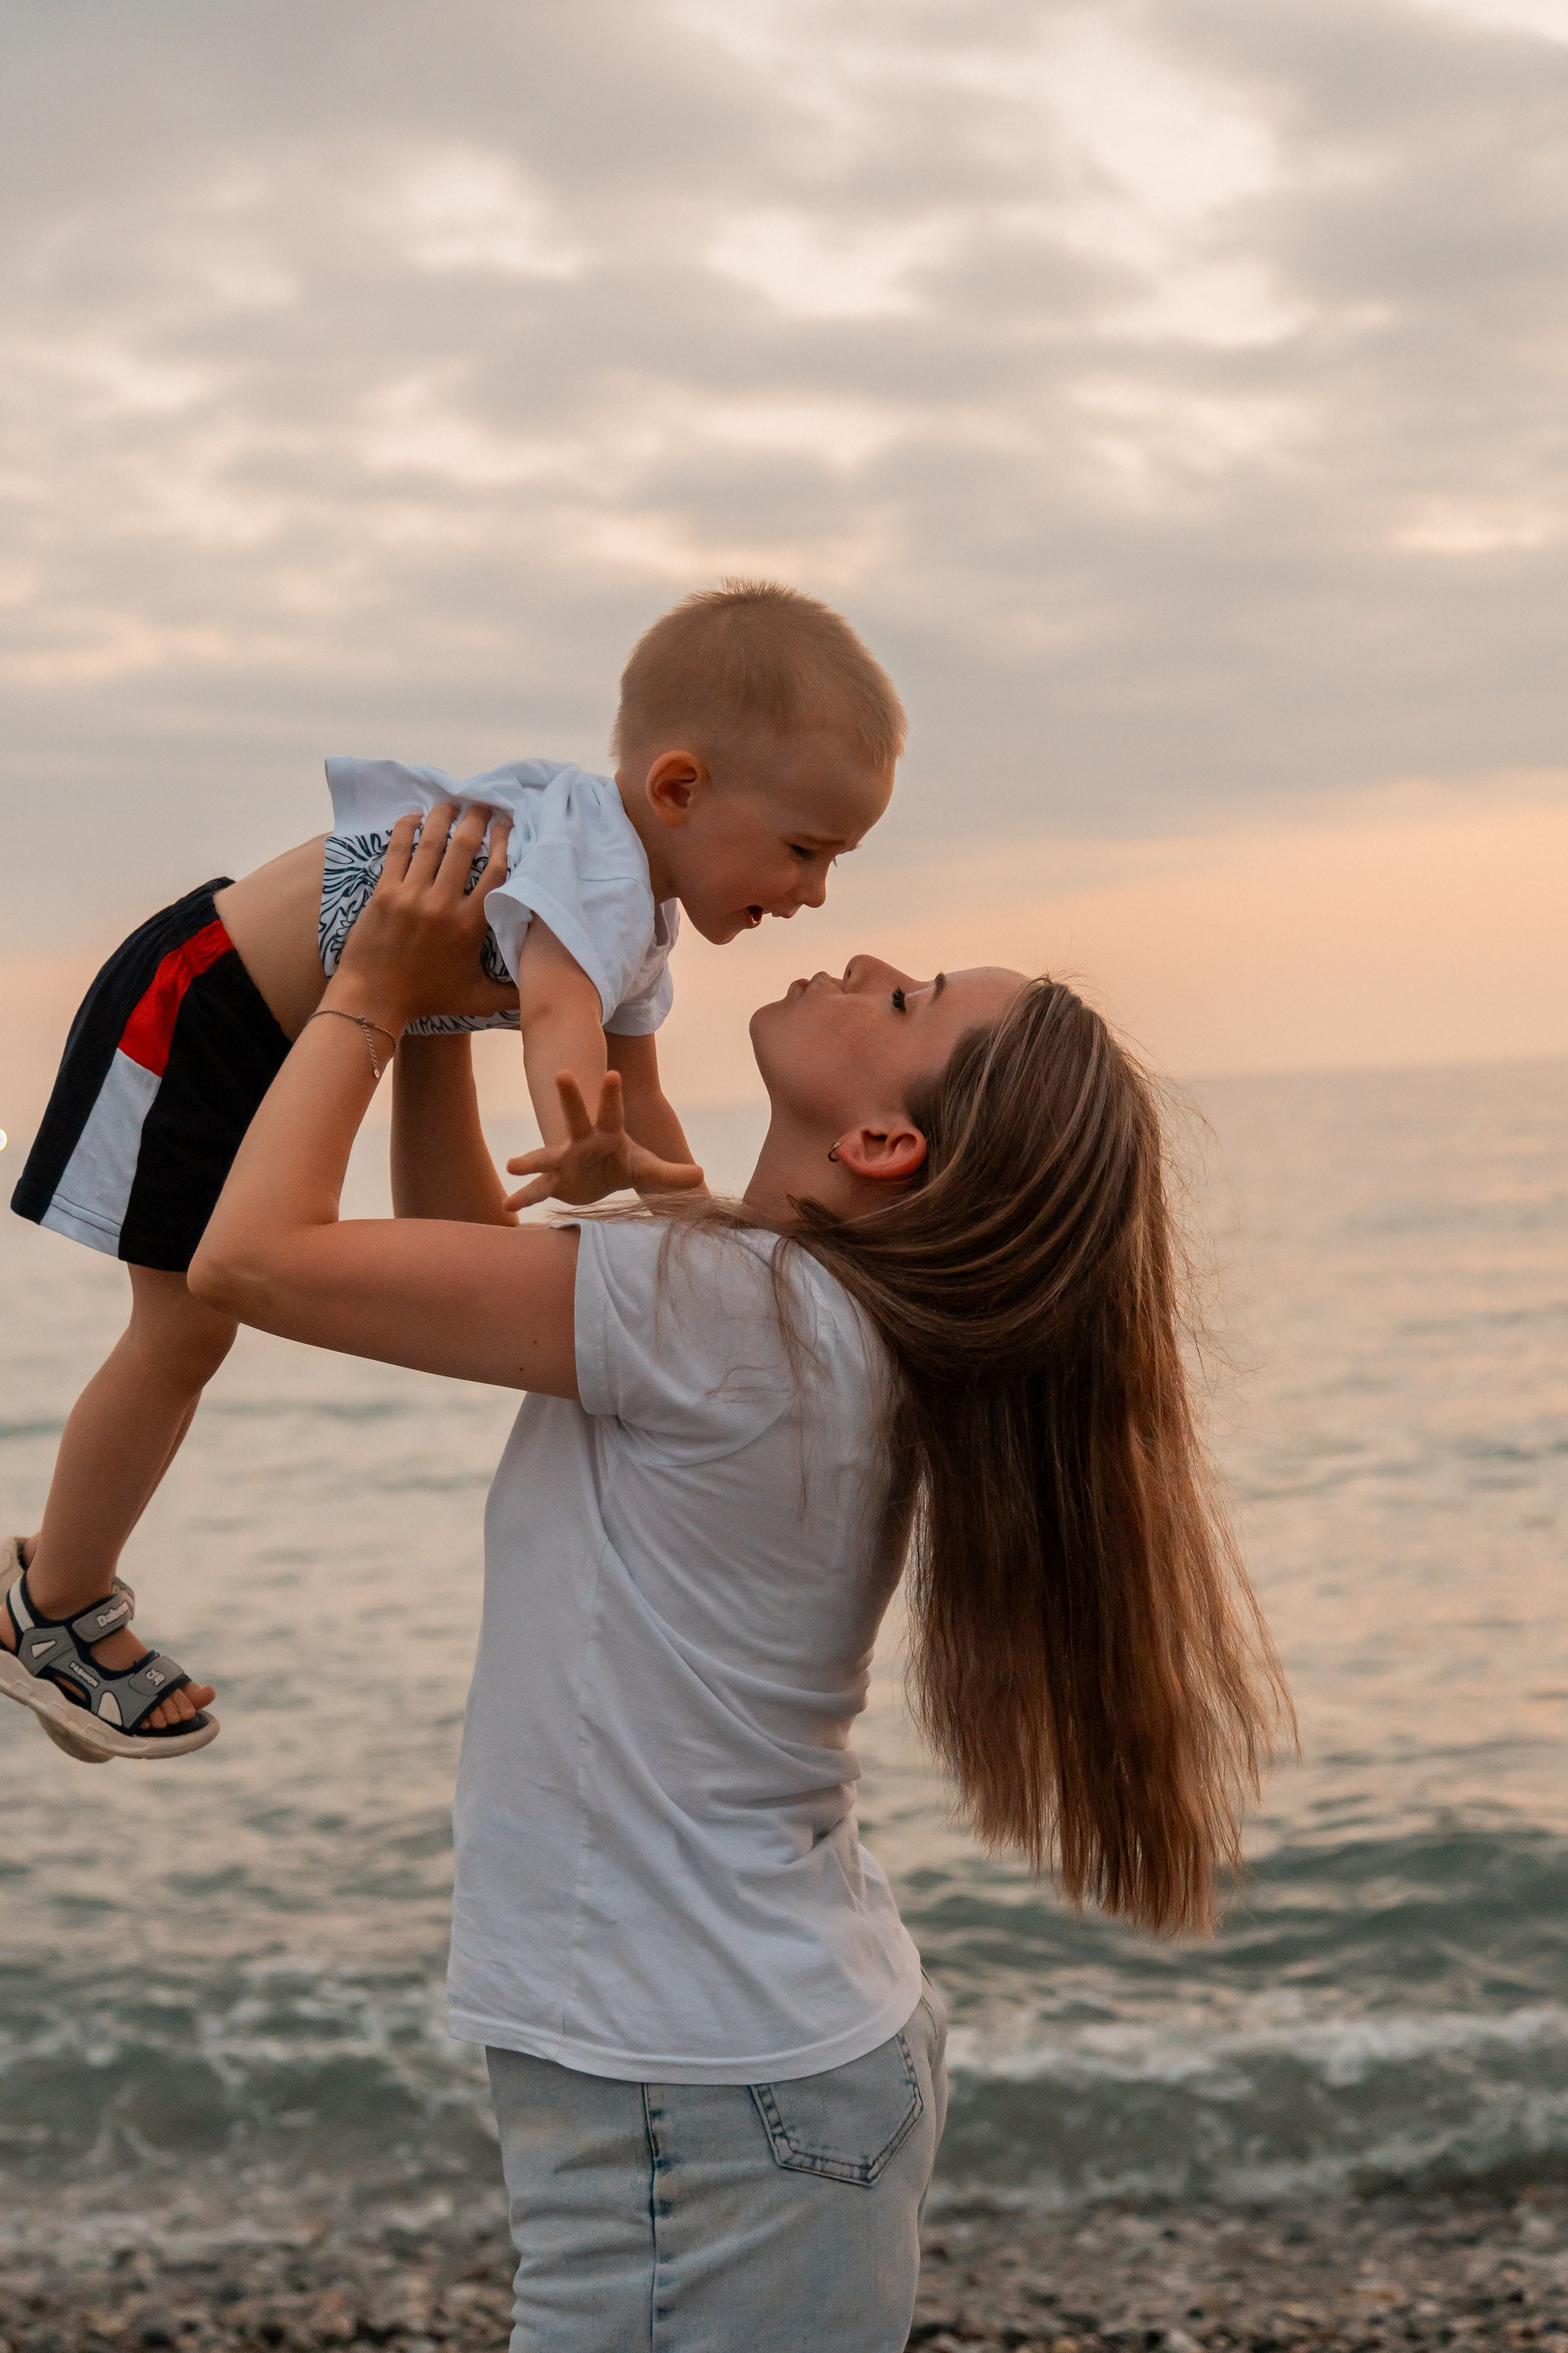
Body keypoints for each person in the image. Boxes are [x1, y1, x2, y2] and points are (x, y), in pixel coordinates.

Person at [183, 802, 1285, 2351]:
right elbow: (459, 1259)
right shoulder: (783, 1317)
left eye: (907, 1005)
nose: (869, 957)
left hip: (700, 2095)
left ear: (883, 1144)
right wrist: (447, 1017)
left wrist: (369, 982)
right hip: (741, 2070)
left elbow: (254, 1260)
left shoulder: (723, 1317)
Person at [2, 581, 902, 1758]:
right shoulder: (597, 871)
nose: (815, 892)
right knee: (182, 1332)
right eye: (803, 849)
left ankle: (61, 1574)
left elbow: (644, 1088)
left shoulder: (636, 910)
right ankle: (52, 1605)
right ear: (680, 790)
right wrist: (577, 1134)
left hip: (267, 1018)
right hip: (204, 1002)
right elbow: (558, 1026)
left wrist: (706, 1214)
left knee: (190, 1335)